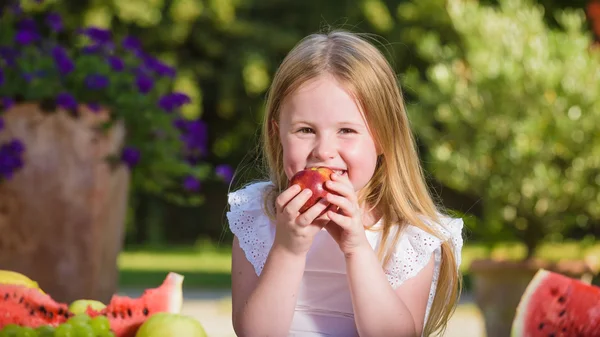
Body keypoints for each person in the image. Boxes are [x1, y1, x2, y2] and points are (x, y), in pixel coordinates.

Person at [226, 29, 464, 337]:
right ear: (277, 134)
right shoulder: (258, 216)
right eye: (305, 130)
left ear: (382, 138)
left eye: (347, 131)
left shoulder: (409, 235)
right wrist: (288, 250)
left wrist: (357, 249)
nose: (323, 151)